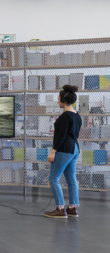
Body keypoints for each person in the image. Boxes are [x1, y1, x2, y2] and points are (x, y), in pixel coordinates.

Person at [44, 85, 82, 219]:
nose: (57, 101)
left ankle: (60, 209)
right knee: (71, 180)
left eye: (58, 98)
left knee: (53, 178)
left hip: (64, 149)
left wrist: (53, 151)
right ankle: (72, 208)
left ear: (63, 100)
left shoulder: (65, 116)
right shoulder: (77, 115)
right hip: (74, 149)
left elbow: (61, 136)